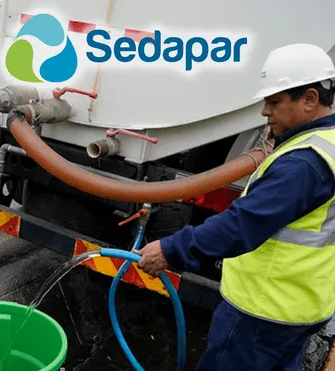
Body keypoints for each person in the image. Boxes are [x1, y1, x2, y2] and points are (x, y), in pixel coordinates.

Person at [135, 43, 335, 371]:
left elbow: (242, 224)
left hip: (263, 310)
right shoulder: (325, 143)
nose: (265, 111)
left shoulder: (304, 164)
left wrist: (171, 249)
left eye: (274, 102)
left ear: (310, 99)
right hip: (300, 303)